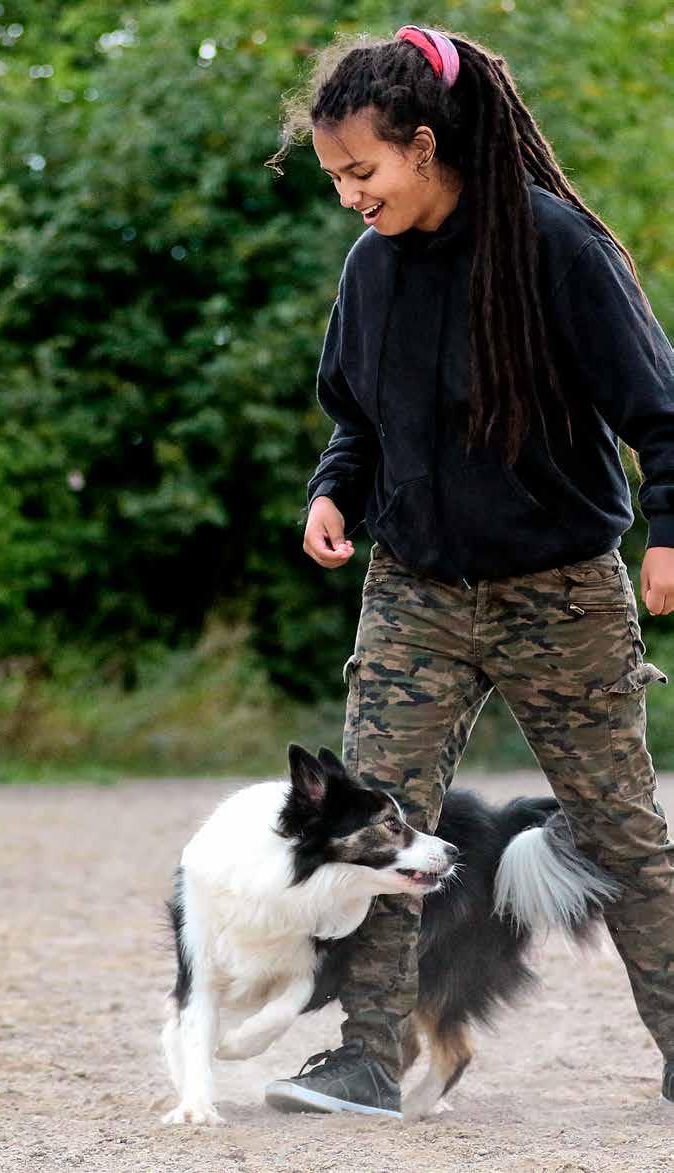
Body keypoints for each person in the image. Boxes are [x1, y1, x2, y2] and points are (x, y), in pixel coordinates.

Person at [263, 26, 674, 1117]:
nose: (350, 195)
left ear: (424, 145)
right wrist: (332, 489)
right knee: (371, 825)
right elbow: (355, 418)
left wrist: (668, 532)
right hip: (414, 590)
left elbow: (658, 413)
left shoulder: (555, 249)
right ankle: (364, 1056)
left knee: (622, 830)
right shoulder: (370, 270)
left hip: (560, 591)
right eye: (336, 177)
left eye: (362, 171)